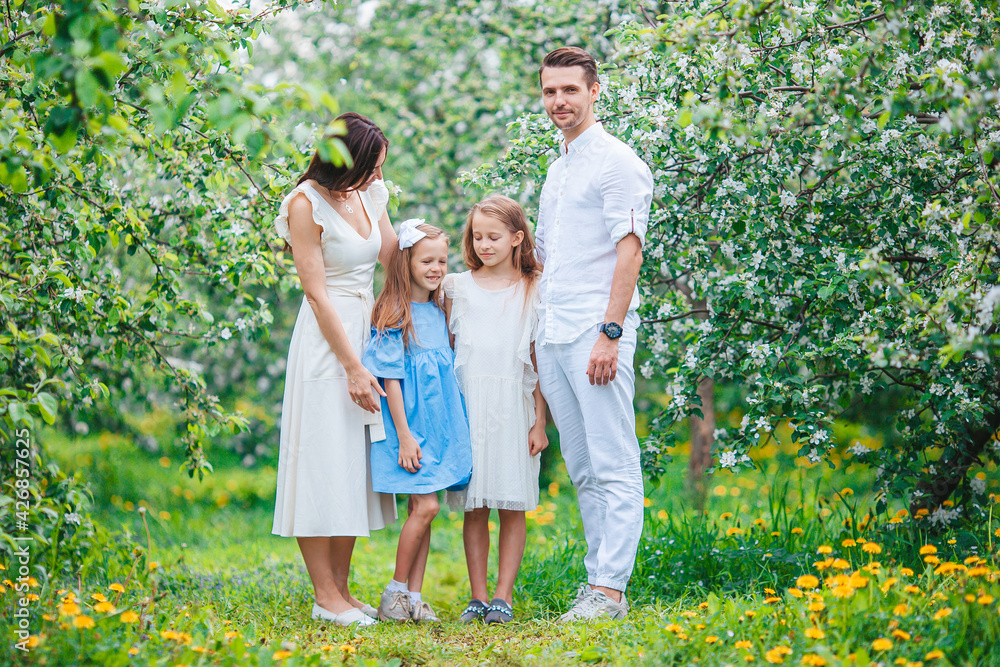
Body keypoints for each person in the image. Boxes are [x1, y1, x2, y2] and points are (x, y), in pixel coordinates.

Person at [534, 47, 654, 621]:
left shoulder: (617, 162)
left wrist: (610, 332)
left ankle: (611, 589)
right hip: (554, 333)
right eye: (550, 91)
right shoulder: (557, 169)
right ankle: (597, 585)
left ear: (594, 91)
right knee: (581, 467)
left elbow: (629, 254)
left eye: (570, 91)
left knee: (614, 461)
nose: (559, 101)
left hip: (594, 332)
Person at [271, 112, 399, 628]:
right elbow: (316, 292)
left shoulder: (371, 193)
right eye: (370, 167)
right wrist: (351, 366)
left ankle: (343, 591)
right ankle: (325, 596)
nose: (376, 175)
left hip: (366, 328)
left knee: (354, 461)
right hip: (329, 343)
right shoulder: (305, 204)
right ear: (343, 161)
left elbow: (393, 257)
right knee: (322, 457)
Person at [442, 195, 549, 625]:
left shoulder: (533, 288)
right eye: (477, 236)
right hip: (468, 406)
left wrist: (540, 421)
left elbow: (539, 361)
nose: (483, 244)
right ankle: (478, 595)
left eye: (494, 236)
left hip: (514, 407)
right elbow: (447, 351)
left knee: (511, 503)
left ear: (517, 238)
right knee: (474, 506)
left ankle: (503, 596)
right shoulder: (456, 287)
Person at [362, 220, 473, 623]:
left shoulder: (441, 309)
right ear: (406, 261)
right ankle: (393, 592)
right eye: (427, 260)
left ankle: (413, 596)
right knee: (425, 506)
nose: (436, 268)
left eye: (442, 260)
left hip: (438, 424)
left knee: (424, 508)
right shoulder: (395, 310)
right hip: (407, 428)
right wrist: (406, 437)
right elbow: (390, 380)